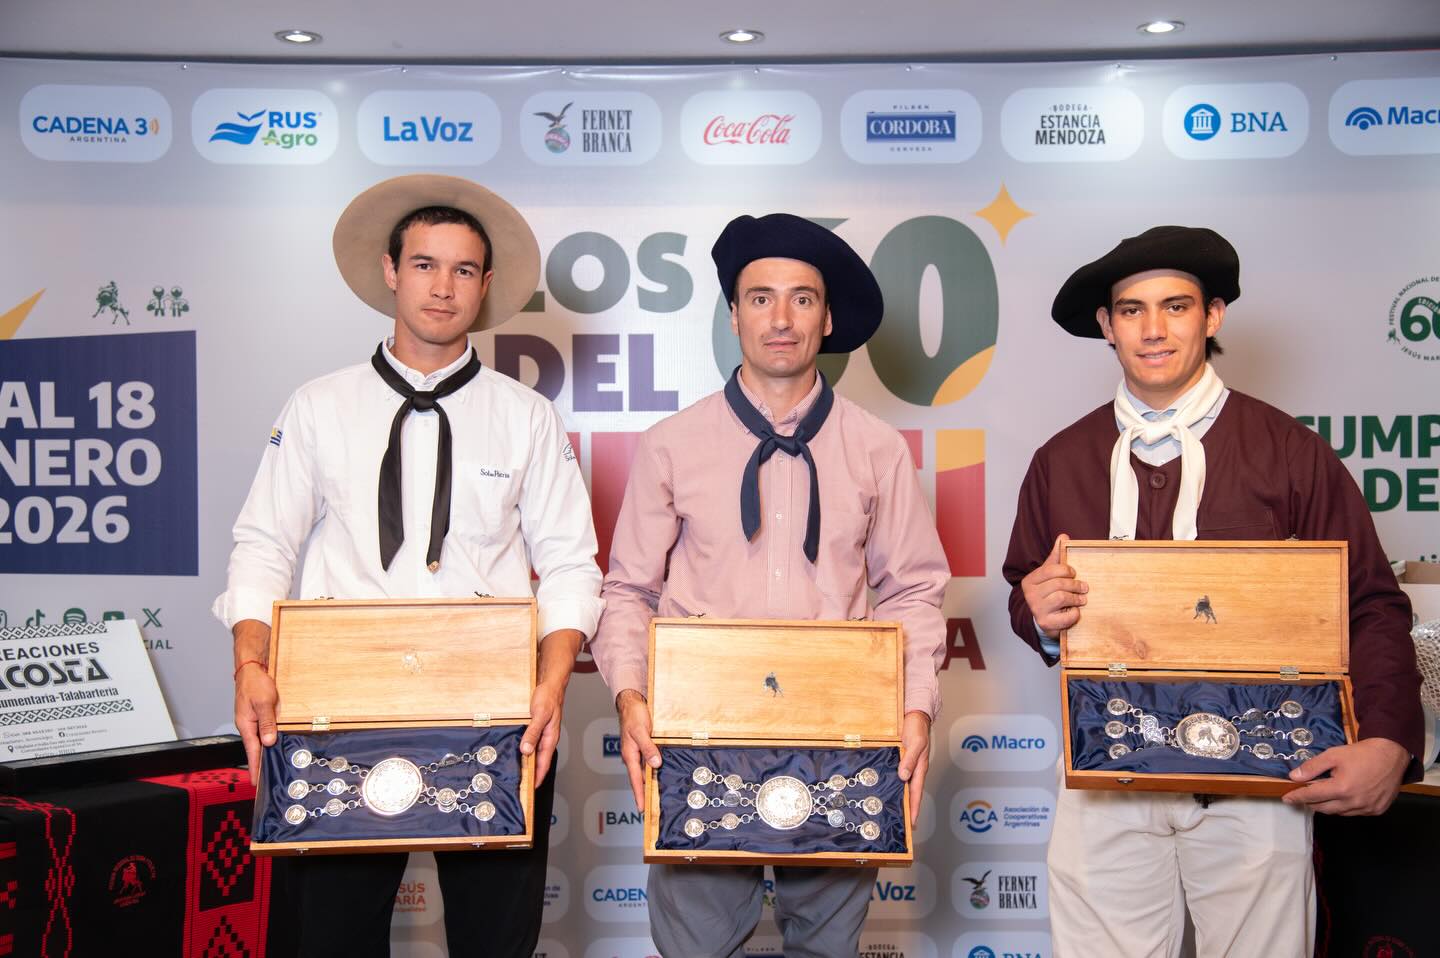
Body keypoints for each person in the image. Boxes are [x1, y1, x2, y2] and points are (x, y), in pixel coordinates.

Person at [1002, 225, 1423, 958]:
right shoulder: (1060, 460)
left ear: (1213, 316)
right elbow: (1023, 588)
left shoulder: (1289, 452)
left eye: (1176, 306)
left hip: (1260, 778)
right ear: (1106, 325)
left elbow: (1370, 603)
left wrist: (1388, 737)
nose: (1153, 329)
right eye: (1131, 310)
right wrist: (1036, 614)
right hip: (1104, 776)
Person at [214, 174, 602, 957]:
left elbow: (570, 564)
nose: (443, 286)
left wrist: (552, 684)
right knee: (331, 937)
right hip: (341, 701)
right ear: (391, 271)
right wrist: (250, 663)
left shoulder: (526, 416)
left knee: (496, 939)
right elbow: (263, 544)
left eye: (463, 270)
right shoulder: (319, 406)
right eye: (425, 264)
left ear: (485, 286)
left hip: (494, 703)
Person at [591, 213, 949, 958]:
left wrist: (914, 708)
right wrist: (630, 698)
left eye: (801, 299)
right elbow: (628, 592)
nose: (780, 319)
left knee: (826, 948)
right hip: (698, 735)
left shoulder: (878, 448)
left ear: (827, 319)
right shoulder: (670, 445)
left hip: (840, 734)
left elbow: (913, 591)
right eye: (760, 298)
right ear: (733, 315)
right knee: (696, 949)